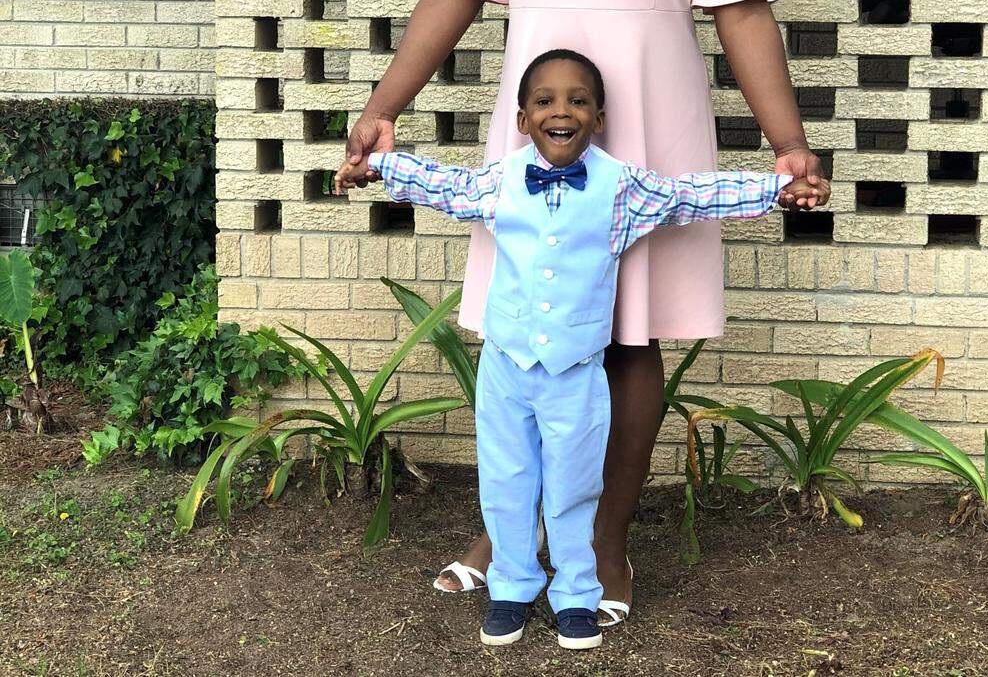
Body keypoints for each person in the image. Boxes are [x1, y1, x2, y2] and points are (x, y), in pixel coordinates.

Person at [334, 0, 828, 624]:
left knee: (626, 335)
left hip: (650, 115)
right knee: (524, 333)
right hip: (539, 117)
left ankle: (601, 545)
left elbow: (739, 9)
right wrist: (384, 102)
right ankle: (504, 537)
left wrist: (789, 144)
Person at [337, 50, 828, 650]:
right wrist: (381, 167)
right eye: (544, 101)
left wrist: (779, 188)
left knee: (573, 486)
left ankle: (576, 593)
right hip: (506, 367)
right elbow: (447, 185)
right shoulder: (500, 179)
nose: (560, 111)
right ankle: (512, 586)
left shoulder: (624, 189)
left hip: (576, 373)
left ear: (598, 117)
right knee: (506, 479)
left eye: (577, 101)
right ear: (522, 119)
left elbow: (694, 195)